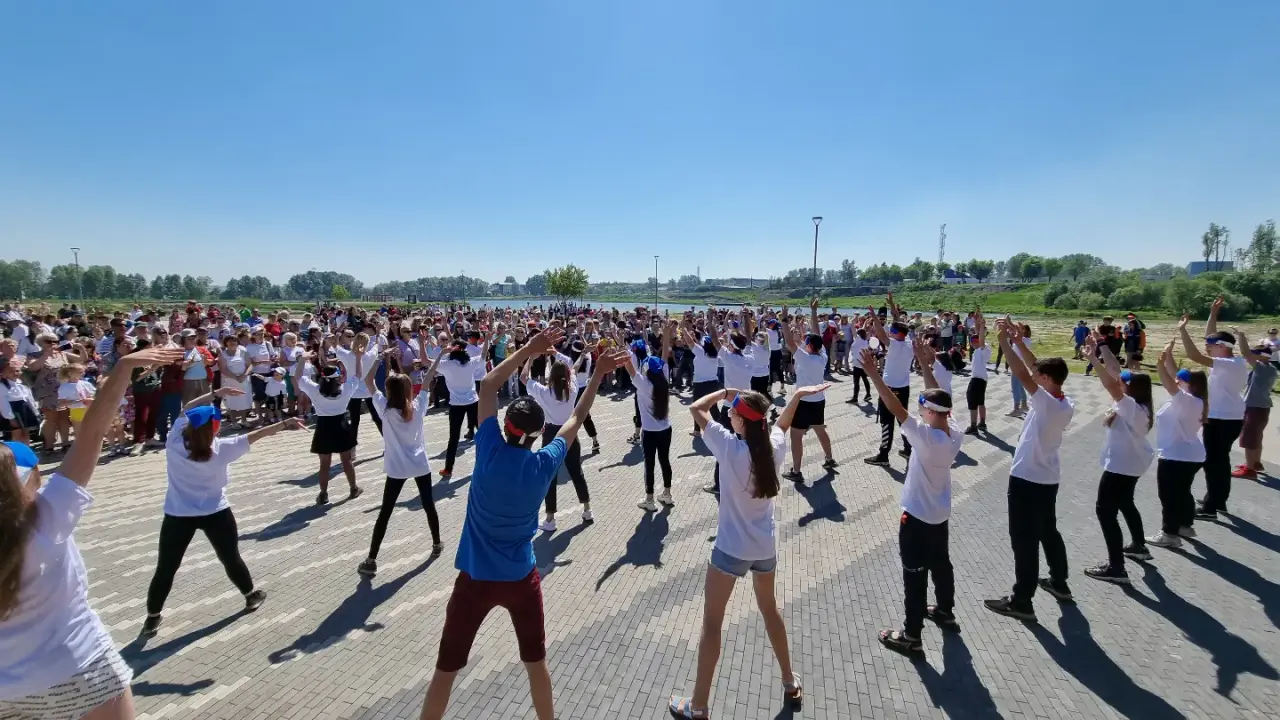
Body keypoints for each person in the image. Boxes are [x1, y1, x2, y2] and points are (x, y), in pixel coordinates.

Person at [419, 328, 622, 720]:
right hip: (520, 580)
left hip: (474, 579)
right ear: (538, 434)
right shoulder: (543, 463)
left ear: (505, 426)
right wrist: (597, 373)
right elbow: (576, 417)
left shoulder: (488, 448)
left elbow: (489, 385)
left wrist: (528, 350)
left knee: (445, 671)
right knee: (536, 663)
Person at [0, 345, 180, 720]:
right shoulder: (47, 515)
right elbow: (93, 432)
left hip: (8, 689)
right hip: (78, 667)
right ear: (24, 482)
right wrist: (124, 368)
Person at [667, 387, 817, 719]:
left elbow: (696, 407)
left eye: (733, 413)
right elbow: (783, 423)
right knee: (770, 610)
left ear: (742, 421)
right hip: (764, 548)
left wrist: (724, 392)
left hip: (730, 549)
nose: (728, 415)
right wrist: (797, 396)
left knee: (712, 623)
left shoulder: (728, 446)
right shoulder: (772, 447)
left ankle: (699, 706)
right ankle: (790, 682)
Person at [141, 389, 303, 635]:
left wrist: (216, 392)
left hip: (177, 514)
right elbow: (257, 434)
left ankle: (152, 617)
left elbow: (187, 407)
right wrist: (284, 423)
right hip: (216, 512)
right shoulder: (222, 449)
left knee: (166, 567)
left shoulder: (174, 441)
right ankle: (250, 595)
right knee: (230, 558)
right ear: (215, 428)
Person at [858, 344, 962, 654]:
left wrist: (874, 375)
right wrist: (924, 364)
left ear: (929, 412)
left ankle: (911, 636)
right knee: (941, 564)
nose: (919, 412)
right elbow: (939, 397)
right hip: (940, 515)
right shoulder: (954, 432)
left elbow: (895, 407)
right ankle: (945, 611)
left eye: (922, 408)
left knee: (914, 575)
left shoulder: (926, 437)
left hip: (916, 517)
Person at [984, 319, 1075, 622]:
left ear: (1047, 379)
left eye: (1039, 376)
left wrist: (1004, 342)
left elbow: (1023, 373)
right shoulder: (1064, 401)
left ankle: (1022, 600)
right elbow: (1034, 366)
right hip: (1048, 478)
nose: (1034, 376)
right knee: (1048, 530)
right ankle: (1059, 581)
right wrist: (1018, 340)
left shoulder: (1046, 404)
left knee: (1024, 539)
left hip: (1027, 479)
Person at [357, 340, 445, 578]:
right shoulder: (418, 406)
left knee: (385, 512)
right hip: (420, 464)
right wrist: (439, 356)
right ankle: (437, 543)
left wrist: (380, 357)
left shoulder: (384, 409)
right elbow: (427, 379)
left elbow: (368, 381)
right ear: (408, 390)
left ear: (389, 391)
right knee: (428, 504)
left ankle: (371, 559)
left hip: (396, 468)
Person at [1082, 339, 1154, 585]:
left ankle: (1116, 567)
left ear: (1130, 388)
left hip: (1120, 467)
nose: (1119, 380)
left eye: (1124, 381)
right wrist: (1102, 345)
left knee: (1105, 511)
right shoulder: (1137, 404)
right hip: (1131, 464)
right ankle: (1138, 546)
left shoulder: (1131, 407)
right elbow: (1114, 371)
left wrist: (1093, 360)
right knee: (1125, 502)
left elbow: (1110, 382)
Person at [1176, 298, 1249, 520]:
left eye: (1211, 345)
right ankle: (1218, 500)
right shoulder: (1230, 361)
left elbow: (1194, 356)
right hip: (1227, 417)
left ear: (1222, 346)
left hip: (1221, 419)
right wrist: (1213, 313)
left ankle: (1210, 508)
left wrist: (1182, 330)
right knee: (1219, 460)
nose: (1207, 347)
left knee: (1213, 462)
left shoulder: (1229, 364)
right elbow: (1211, 335)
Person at [521, 350, 592, 532]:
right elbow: (574, 369)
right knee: (576, 472)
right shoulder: (573, 389)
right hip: (569, 431)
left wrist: (531, 358)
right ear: (566, 376)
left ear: (551, 376)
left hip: (551, 433)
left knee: (550, 476)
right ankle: (587, 510)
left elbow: (523, 377)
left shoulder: (544, 392)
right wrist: (583, 354)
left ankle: (550, 519)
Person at [1147, 342, 1208, 550]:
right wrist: (1168, 354)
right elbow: (1174, 376)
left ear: (1188, 384)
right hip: (1189, 455)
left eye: (1180, 379)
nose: (1176, 379)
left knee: (1169, 496)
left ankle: (1169, 534)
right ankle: (1185, 526)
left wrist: (1159, 365)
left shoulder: (1187, 400)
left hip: (1176, 456)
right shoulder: (1193, 399)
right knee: (1182, 492)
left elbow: (1169, 382)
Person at [292, 350, 362, 505]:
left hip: (323, 427)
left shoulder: (314, 389)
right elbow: (358, 375)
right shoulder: (346, 389)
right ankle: (353, 488)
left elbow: (298, 377)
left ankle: (323, 494)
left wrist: (302, 360)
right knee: (347, 461)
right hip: (342, 426)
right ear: (338, 377)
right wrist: (358, 358)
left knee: (324, 464)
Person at [780, 298, 837, 482]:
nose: (804, 342)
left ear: (810, 346)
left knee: (796, 436)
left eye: (806, 342)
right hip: (819, 400)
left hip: (803, 402)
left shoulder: (805, 358)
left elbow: (789, 342)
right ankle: (829, 459)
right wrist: (813, 311)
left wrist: (784, 319)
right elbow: (816, 332)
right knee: (820, 430)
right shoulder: (822, 356)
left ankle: (796, 472)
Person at [864, 296, 914, 466]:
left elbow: (880, 334)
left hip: (889, 389)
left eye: (892, 330)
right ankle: (908, 449)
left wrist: (874, 316)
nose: (889, 332)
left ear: (896, 334)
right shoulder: (908, 343)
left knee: (886, 421)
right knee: (903, 419)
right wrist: (892, 305)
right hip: (904, 388)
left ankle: (883, 455)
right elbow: (901, 325)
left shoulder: (894, 345)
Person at [628, 352, 676, 511]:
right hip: (666, 429)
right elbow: (665, 355)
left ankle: (650, 500)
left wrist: (622, 350)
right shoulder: (664, 378)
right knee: (665, 461)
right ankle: (667, 494)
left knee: (649, 465)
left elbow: (630, 369)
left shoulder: (644, 384)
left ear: (646, 369)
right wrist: (667, 337)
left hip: (649, 432)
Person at [1230, 332, 1274, 481]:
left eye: (1255, 354)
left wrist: (1241, 336)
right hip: (1263, 407)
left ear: (1262, 356)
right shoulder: (1271, 368)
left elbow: (1245, 353)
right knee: (1257, 437)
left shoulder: (1261, 368)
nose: (1252, 356)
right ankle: (1255, 463)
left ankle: (1249, 470)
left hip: (1254, 407)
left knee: (1249, 439)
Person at [436, 339, 481, 480]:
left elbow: (426, 361)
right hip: (473, 402)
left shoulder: (447, 365)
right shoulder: (471, 362)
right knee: (482, 433)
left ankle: (448, 469)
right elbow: (485, 354)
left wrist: (441, 353)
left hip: (456, 405)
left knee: (454, 437)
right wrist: (486, 340)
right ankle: (490, 462)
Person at [965, 311, 991, 435]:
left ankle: (973, 425)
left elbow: (980, 339)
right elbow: (977, 335)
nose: (972, 343)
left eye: (973, 341)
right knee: (980, 402)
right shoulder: (978, 350)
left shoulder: (983, 348)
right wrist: (976, 322)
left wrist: (981, 326)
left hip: (977, 379)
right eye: (971, 341)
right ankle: (982, 423)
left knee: (972, 400)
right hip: (981, 378)